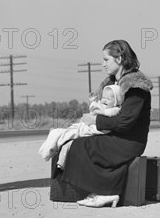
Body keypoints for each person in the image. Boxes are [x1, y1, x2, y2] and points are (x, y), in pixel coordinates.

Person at [60, 40, 153, 208]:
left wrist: (95, 121)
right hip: (115, 136)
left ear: (119, 59)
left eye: (106, 59)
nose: (103, 65)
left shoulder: (135, 86)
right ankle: (104, 190)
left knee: (82, 146)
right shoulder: (112, 84)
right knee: (72, 143)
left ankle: (107, 192)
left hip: (130, 141)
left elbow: (125, 122)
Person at [38, 84, 122, 168]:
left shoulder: (114, 110)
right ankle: (53, 147)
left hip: (89, 130)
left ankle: (52, 149)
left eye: (108, 99)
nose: (104, 100)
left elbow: (109, 112)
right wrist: (93, 101)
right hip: (85, 127)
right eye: (103, 97)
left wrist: (99, 111)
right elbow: (93, 108)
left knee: (66, 136)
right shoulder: (103, 106)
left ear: (116, 101)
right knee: (64, 136)